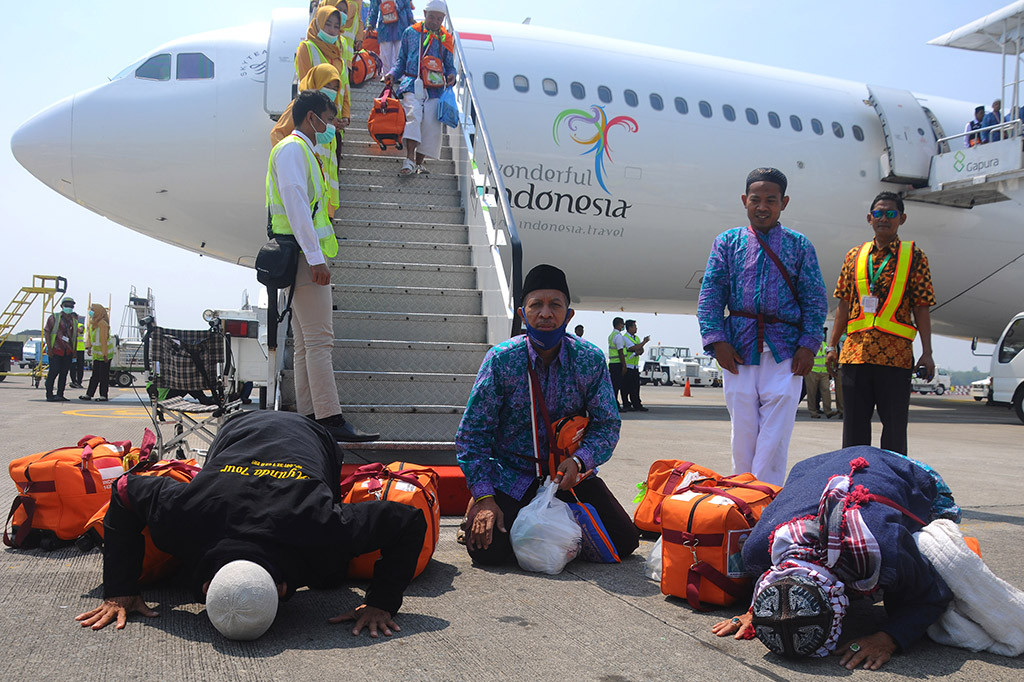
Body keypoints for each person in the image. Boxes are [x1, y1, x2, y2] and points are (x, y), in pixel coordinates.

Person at [74, 411, 426, 640]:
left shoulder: (320, 524)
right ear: (283, 588)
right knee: (329, 571)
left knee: (330, 572)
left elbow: (125, 489)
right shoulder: (190, 515)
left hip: (297, 435)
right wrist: (120, 589)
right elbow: (124, 488)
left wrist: (120, 589)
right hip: (243, 428)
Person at [456, 264, 640, 566]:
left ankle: (555, 527)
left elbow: (607, 425)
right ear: (522, 314)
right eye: (536, 305)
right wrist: (485, 497)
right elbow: (471, 436)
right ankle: (479, 505)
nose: (545, 313)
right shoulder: (501, 360)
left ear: (569, 315)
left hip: (567, 475)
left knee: (623, 542)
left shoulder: (589, 360)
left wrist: (579, 461)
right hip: (512, 476)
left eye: (555, 305)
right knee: (487, 551)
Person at [712, 447, 959, 670]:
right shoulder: (757, 551)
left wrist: (888, 638)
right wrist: (760, 610)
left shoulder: (885, 550)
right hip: (819, 464)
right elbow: (780, 586)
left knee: (944, 535)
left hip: (903, 468)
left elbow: (934, 594)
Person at [697, 168, 828, 486]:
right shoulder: (727, 242)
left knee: (776, 434)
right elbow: (711, 293)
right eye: (755, 199)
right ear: (745, 200)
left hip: (786, 351)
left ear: (784, 202)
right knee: (742, 432)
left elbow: (815, 299)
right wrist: (716, 341)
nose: (762, 207)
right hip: (738, 349)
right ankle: (742, 494)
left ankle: (764, 498)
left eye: (771, 200)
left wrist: (809, 345)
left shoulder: (800, 245)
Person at [266, 90, 378, 442]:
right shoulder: (293, 150)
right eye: (328, 120)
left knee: (305, 343)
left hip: (301, 254)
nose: (331, 127)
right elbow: (297, 204)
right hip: (304, 257)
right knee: (319, 342)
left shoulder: (298, 150)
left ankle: (310, 417)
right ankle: (330, 418)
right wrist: (316, 258)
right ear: (311, 117)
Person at [825, 192, 935, 456]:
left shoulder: (914, 256)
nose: (884, 218)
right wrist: (831, 346)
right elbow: (843, 304)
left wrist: (927, 352)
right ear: (869, 218)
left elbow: (922, 307)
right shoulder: (854, 255)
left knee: (895, 431)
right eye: (878, 213)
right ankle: (855, 478)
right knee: (853, 431)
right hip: (855, 355)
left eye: (891, 214)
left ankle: (891, 480)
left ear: (902, 219)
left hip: (895, 358)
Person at [386, 0, 457, 176]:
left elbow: (450, 66)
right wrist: (392, 74)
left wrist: (452, 76)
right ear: (425, 14)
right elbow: (401, 60)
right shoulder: (410, 32)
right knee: (414, 115)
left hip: (435, 88)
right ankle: (409, 159)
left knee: (431, 124)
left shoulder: (446, 38)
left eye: (439, 19)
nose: (435, 21)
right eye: (432, 17)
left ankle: (418, 163)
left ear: (443, 19)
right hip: (412, 83)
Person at [271, 63, 344, 217]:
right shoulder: (301, 108)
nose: (331, 91)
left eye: (335, 88)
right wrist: (289, 166)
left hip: (322, 198)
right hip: (309, 196)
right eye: (327, 85)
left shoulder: (327, 116)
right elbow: (277, 134)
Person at [43, 296, 79, 402]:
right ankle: (49, 394)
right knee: (53, 372)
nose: (69, 307)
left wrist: (74, 351)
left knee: (64, 374)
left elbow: (74, 337)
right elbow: (47, 332)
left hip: (67, 351)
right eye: (67, 305)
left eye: (71, 306)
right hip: (56, 350)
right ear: (61, 306)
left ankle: (60, 394)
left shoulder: (74, 321)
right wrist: (49, 348)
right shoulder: (54, 317)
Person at [368, 0, 414, 74]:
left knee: (400, 52)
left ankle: (399, 75)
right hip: (384, 27)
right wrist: (371, 24)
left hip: (401, 25)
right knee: (385, 54)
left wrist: (411, 18)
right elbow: (374, 8)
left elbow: (407, 5)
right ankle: (386, 75)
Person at [79, 303, 113, 402]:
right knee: (95, 376)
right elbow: (90, 336)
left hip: (105, 354)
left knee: (103, 376)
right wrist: (89, 347)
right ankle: (89, 394)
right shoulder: (92, 323)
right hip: (97, 354)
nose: (91, 312)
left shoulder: (103, 324)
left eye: (93, 310)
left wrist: (105, 354)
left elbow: (103, 340)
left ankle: (103, 395)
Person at [804, 330, 836, 419]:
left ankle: (828, 411)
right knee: (812, 393)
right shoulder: (811, 345)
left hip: (824, 372)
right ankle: (813, 412)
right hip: (812, 372)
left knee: (826, 391)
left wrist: (831, 370)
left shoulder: (825, 345)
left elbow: (829, 357)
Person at [620, 320, 650, 412]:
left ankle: (637, 404)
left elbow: (640, 349)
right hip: (628, 366)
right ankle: (626, 404)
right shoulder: (625, 338)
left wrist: (639, 348)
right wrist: (643, 342)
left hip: (635, 366)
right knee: (625, 387)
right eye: (634, 327)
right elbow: (633, 347)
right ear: (629, 328)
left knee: (635, 387)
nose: (636, 328)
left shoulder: (636, 338)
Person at [607, 317, 627, 410]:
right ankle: (615, 405)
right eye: (623, 324)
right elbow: (620, 352)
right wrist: (624, 365)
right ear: (619, 325)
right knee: (616, 386)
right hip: (617, 364)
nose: (623, 326)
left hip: (612, 363)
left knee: (614, 385)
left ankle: (614, 403)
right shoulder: (618, 336)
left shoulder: (611, 335)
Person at [71, 322, 86, 389]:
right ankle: (74, 381)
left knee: (80, 367)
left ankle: (79, 382)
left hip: (80, 349)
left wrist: (72, 327)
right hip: (72, 349)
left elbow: (81, 330)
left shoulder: (80, 325)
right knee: (72, 367)